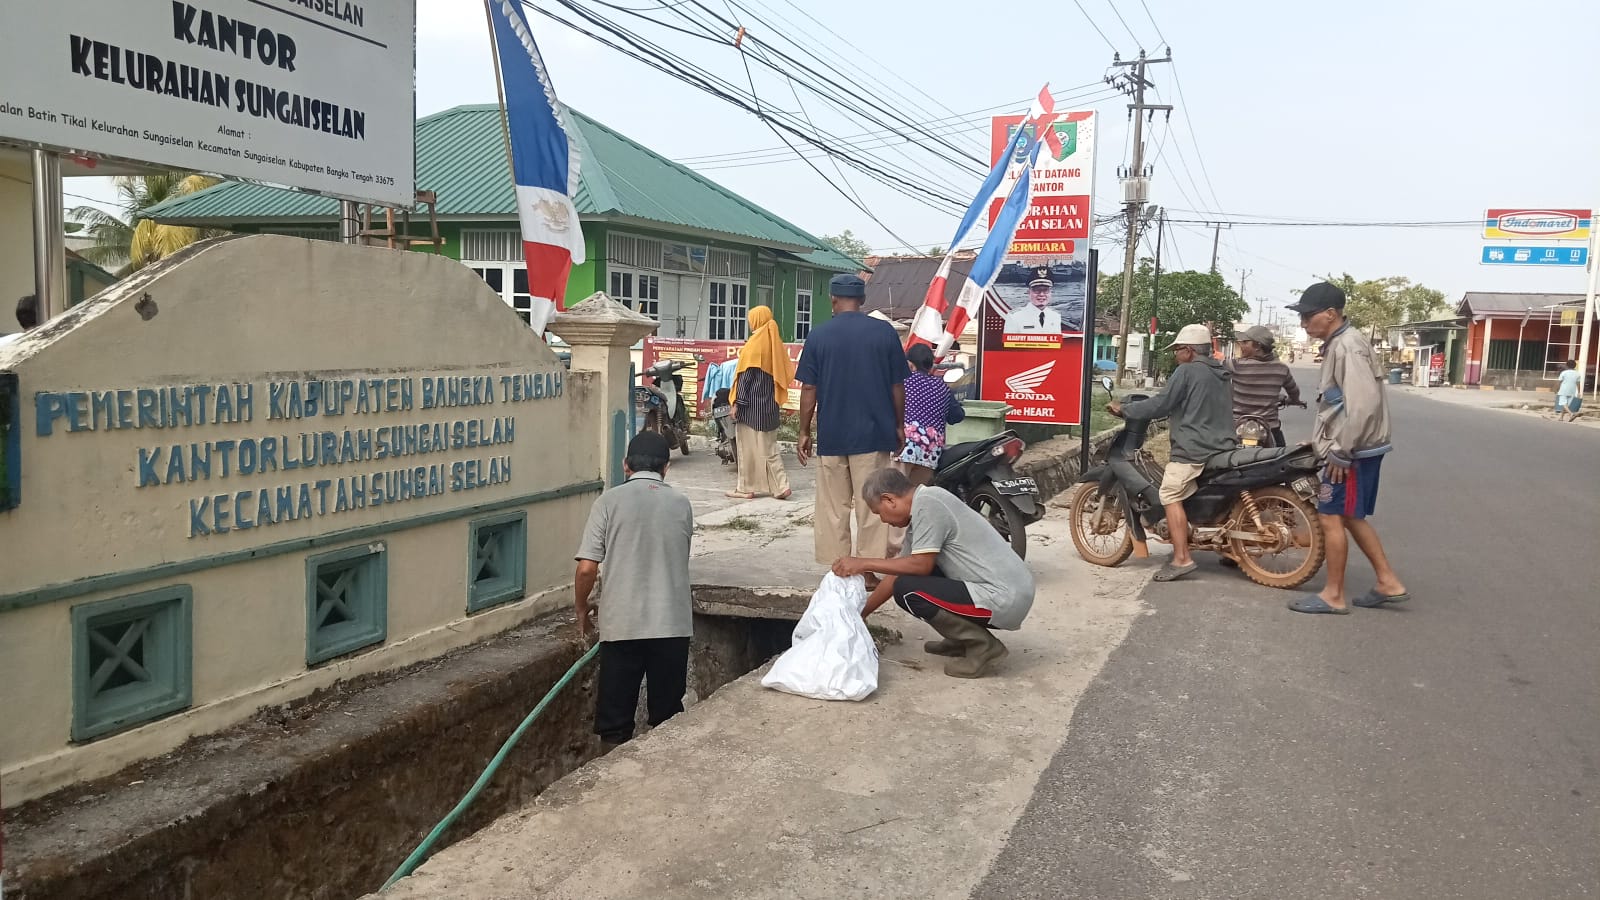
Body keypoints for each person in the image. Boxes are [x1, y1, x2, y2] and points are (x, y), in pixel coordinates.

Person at [834, 467, 1034, 678]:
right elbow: (897, 573)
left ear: (889, 500)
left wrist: (864, 564)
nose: (883, 520)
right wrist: (862, 613)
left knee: (908, 590)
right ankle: (960, 640)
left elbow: (919, 566)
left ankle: (982, 646)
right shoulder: (921, 509)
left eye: (879, 512)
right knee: (908, 578)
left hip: (1006, 597)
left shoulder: (929, 504)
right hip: (1006, 591)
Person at [1286, 282, 1409, 615]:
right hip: (1353, 446)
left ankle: (1333, 595)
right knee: (1351, 517)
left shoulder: (1347, 346)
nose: (1304, 323)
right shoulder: (1340, 343)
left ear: (1330, 314)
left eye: (1308, 316)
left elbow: (1363, 404)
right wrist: (1322, 439)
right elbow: (1339, 404)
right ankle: (1388, 581)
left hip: (1351, 453)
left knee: (1330, 517)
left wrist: (1340, 449)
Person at [573, 431, 695, 747]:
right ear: (666, 468)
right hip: (671, 625)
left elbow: (587, 568)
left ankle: (609, 786)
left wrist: (581, 608)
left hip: (622, 625)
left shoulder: (607, 502)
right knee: (667, 716)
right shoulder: (681, 504)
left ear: (626, 465)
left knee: (614, 722)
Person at [1106, 323, 1236, 583]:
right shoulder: (1221, 372)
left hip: (1194, 448)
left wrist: (1126, 410)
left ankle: (1181, 559)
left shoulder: (1186, 372)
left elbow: (1162, 404)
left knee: (1169, 493)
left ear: (1188, 351)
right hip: (1223, 444)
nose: (1175, 354)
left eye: (1177, 349)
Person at [795, 273, 908, 566]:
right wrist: (899, 425)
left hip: (832, 436)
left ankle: (839, 567)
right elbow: (898, 385)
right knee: (873, 506)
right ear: (862, 300)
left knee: (833, 507)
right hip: (873, 434)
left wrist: (804, 431)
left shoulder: (818, 335)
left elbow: (809, 388)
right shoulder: (884, 333)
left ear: (833, 298)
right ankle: (868, 569)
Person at [727, 306, 793, 500]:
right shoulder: (774, 342)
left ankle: (745, 488)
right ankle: (780, 486)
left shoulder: (755, 344)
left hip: (751, 407)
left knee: (746, 449)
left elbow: (746, 377)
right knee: (769, 448)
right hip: (769, 406)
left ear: (756, 319)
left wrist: (737, 403)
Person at [1228, 324, 1304, 447]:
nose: (1241, 345)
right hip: (1269, 426)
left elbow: (1214, 369)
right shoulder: (1281, 368)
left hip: (1238, 425)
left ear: (1257, 346)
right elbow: (1294, 391)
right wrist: (1294, 400)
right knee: (1280, 457)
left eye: (1245, 342)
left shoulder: (1235, 365)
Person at [1001, 268, 1062, 335]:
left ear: (1050, 293)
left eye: (1045, 290)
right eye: (1036, 290)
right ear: (1029, 292)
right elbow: (1009, 344)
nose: (1041, 294)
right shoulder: (1015, 317)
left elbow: (1056, 344)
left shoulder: (1055, 316)